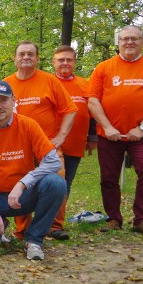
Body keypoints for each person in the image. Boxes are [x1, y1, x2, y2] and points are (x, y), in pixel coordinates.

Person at [0, 81, 66, 261]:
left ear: (13, 101)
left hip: (24, 196)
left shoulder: (28, 125)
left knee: (56, 183)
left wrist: (23, 183)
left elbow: (53, 162)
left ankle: (34, 239)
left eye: (3, 100)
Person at [87, 25, 143, 239]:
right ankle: (114, 219)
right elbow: (92, 101)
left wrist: (142, 127)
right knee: (108, 177)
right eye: (125, 39)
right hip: (109, 135)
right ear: (118, 42)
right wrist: (107, 127)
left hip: (142, 135)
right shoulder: (104, 68)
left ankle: (142, 219)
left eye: (135, 39)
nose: (130, 43)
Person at [4, 41, 77, 241]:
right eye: (22, 54)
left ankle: (54, 226)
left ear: (37, 59)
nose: (26, 57)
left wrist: (61, 137)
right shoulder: (6, 83)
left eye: (30, 54)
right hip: (17, 148)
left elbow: (70, 110)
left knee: (58, 179)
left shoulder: (50, 81)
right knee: (18, 184)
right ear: (15, 58)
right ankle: (22, 229)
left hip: (47, 147)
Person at [52, 45, 97, 197]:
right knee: (52, 182)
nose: (65, 63)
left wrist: (92, 137)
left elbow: (92, 113)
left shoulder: (85, 84)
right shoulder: (47, 82)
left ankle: (58, 220)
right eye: (61, 60)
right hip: (50, 143)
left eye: (69, 60)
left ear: (74, 62)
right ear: (54, 62)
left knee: (66, 183)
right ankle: (47, 218)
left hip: (75, 143)